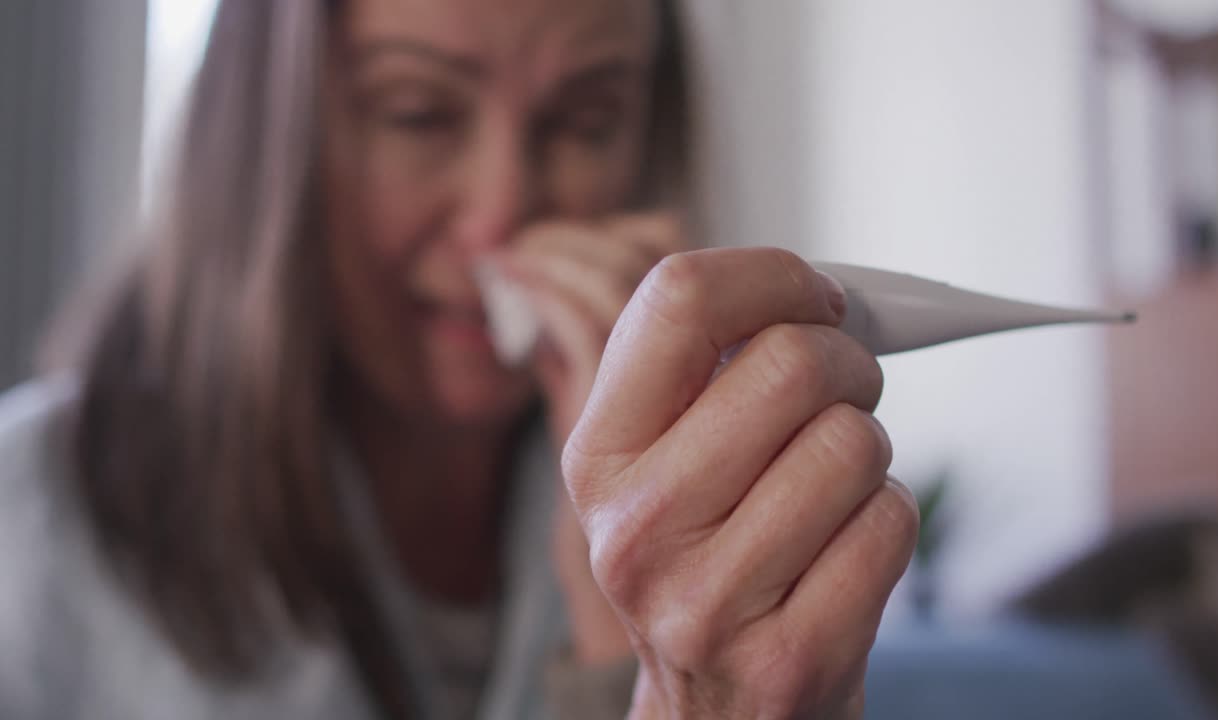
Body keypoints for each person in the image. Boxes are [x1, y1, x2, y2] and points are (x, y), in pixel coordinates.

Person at [0, 0, 917, 718]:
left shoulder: (719, 533)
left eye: (586, 123)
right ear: (271, 136)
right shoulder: (33, 525)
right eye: (420, 113)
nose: (503, 214)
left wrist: (629, 636)